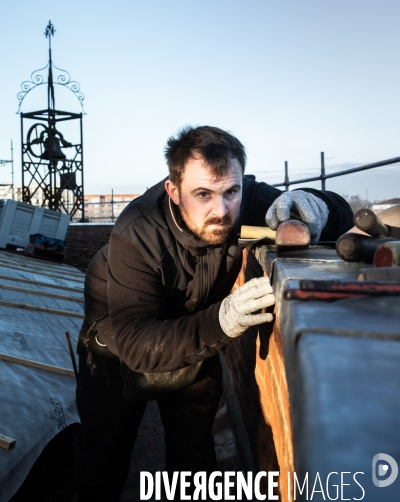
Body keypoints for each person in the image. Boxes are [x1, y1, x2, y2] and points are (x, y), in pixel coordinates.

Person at [73, 126, 352, 501]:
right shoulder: (135, 233)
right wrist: (223, 319)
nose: (221, 211)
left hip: (194, 334)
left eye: (230, 192)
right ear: (174, 191)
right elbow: (137, 346)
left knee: (194, 458)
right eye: (202, 194)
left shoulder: (243, 200)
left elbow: (331, 217)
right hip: (118, 341)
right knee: (103, 456)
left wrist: (316, 205)